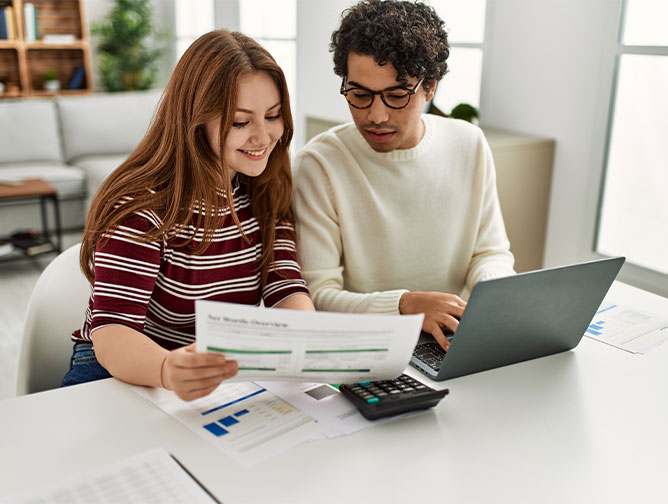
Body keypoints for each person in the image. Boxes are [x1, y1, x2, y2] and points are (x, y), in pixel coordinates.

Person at [62, 30, 314, 401]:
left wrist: (311, 342)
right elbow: (113, 332)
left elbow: (284, 286)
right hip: (119, 364)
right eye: (241, 122)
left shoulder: (264, 187)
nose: (263, 136)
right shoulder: (143, 205)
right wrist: (166, 369)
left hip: (210, 368)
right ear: (196, 121)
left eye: (273, 116)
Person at [292, 0, 515, 351]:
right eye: (359, 95)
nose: (376, 115)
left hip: (453, 340)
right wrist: (404, 306)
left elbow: (490, 254)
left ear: (430, 87)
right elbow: (318, 297)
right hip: (366, 347)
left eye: (396, 95)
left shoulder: (468, 144)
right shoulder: (319, 165)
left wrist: (489, 299)